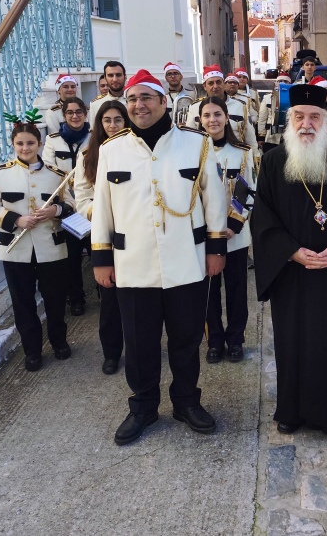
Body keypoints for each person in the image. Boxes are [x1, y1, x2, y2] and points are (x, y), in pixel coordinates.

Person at [91, 69, 227, 445]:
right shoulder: (111, 149)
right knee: (139, 342)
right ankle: (143, 407)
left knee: (185, 338)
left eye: (146, 98)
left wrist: (216, 250)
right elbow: (102, 208)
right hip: (133, 264)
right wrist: (101, 259)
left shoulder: (196, 144)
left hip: (187, 261)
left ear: (163, 102)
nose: (138, 105)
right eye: (132, 99)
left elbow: (215, 201)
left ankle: (186, 401)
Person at [251, 84, 327, 434]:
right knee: (293, 342)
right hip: (292, 273)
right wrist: (292, 252)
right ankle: (292, 412)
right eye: (300, 117)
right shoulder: (274, 161)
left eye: (315, 117)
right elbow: (263, 218)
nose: (307, 124)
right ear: (289, 120)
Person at [0, 113, 74, 371]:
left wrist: (55, 211)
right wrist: (15, 220)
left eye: (30, 143)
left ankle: (59, 342)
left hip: (51, 247)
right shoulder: (0, 174)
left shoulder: (56, 174)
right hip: (15, 248)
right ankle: (32, 351)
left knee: (55, 299)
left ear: (39, 144)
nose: (25, 148)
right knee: (23, 303)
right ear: (13, 145)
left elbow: (72, 204)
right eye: (20, 144)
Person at [74, 100, 130, 374]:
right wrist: (103, 211)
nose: (112, 125)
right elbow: (82, 198)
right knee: (109, 298)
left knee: (137, 296)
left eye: (118, 120)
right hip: (104, 234)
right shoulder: (87, 154)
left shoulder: (136, 151)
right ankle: (111, 352)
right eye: (106, 120)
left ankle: (139, 346)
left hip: (133, 232)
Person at [198, 96, 255, 364]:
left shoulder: (241, 152)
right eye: (207, 115)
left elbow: (246, 192)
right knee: (209, 291)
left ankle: (235, 340)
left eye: (217, 114)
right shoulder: (194, 153)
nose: (213, 120)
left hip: (235, 235)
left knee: (236, 289)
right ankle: (214, 340)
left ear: (226, 117)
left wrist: (232, 225)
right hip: (205, 236)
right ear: (200, 120)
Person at [42, 97, 91, 316]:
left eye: (79, 112)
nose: (75, 116)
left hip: (90, 203)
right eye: (70, 112)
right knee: (71, 256)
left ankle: (103, 290)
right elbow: (49, 170)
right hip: (68, 207)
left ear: (85, 113)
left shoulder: (94, 138)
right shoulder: (53, 141)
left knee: (97, 250)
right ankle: (76, 298)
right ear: (64, 116)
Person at [186, 65, 257, 150]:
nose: (215, 86)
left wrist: (254, 156)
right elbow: (189, 136)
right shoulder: (195, 107)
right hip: (205, 156)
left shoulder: (240, 106)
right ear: (204, 86)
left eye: (218, 82)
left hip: (234, 156)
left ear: (224, 84)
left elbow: (250, 136)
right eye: (211, 83)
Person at [258, 72, 291, 153]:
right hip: (272, 136)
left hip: (289, 136)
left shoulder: (294, 97)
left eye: (285, 81)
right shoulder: (268, 97)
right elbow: (262, 117)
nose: (282, 83)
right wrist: (261, 137)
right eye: (280, 81)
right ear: (276, 83)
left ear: (290, 84)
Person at [89, 61, 127, 126]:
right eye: (110, 75)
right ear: (105, 78)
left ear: (125, 77)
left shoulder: (134, 101)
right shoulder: (96, 104)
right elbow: (94, 131)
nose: (114, 79)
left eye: (118, 75)